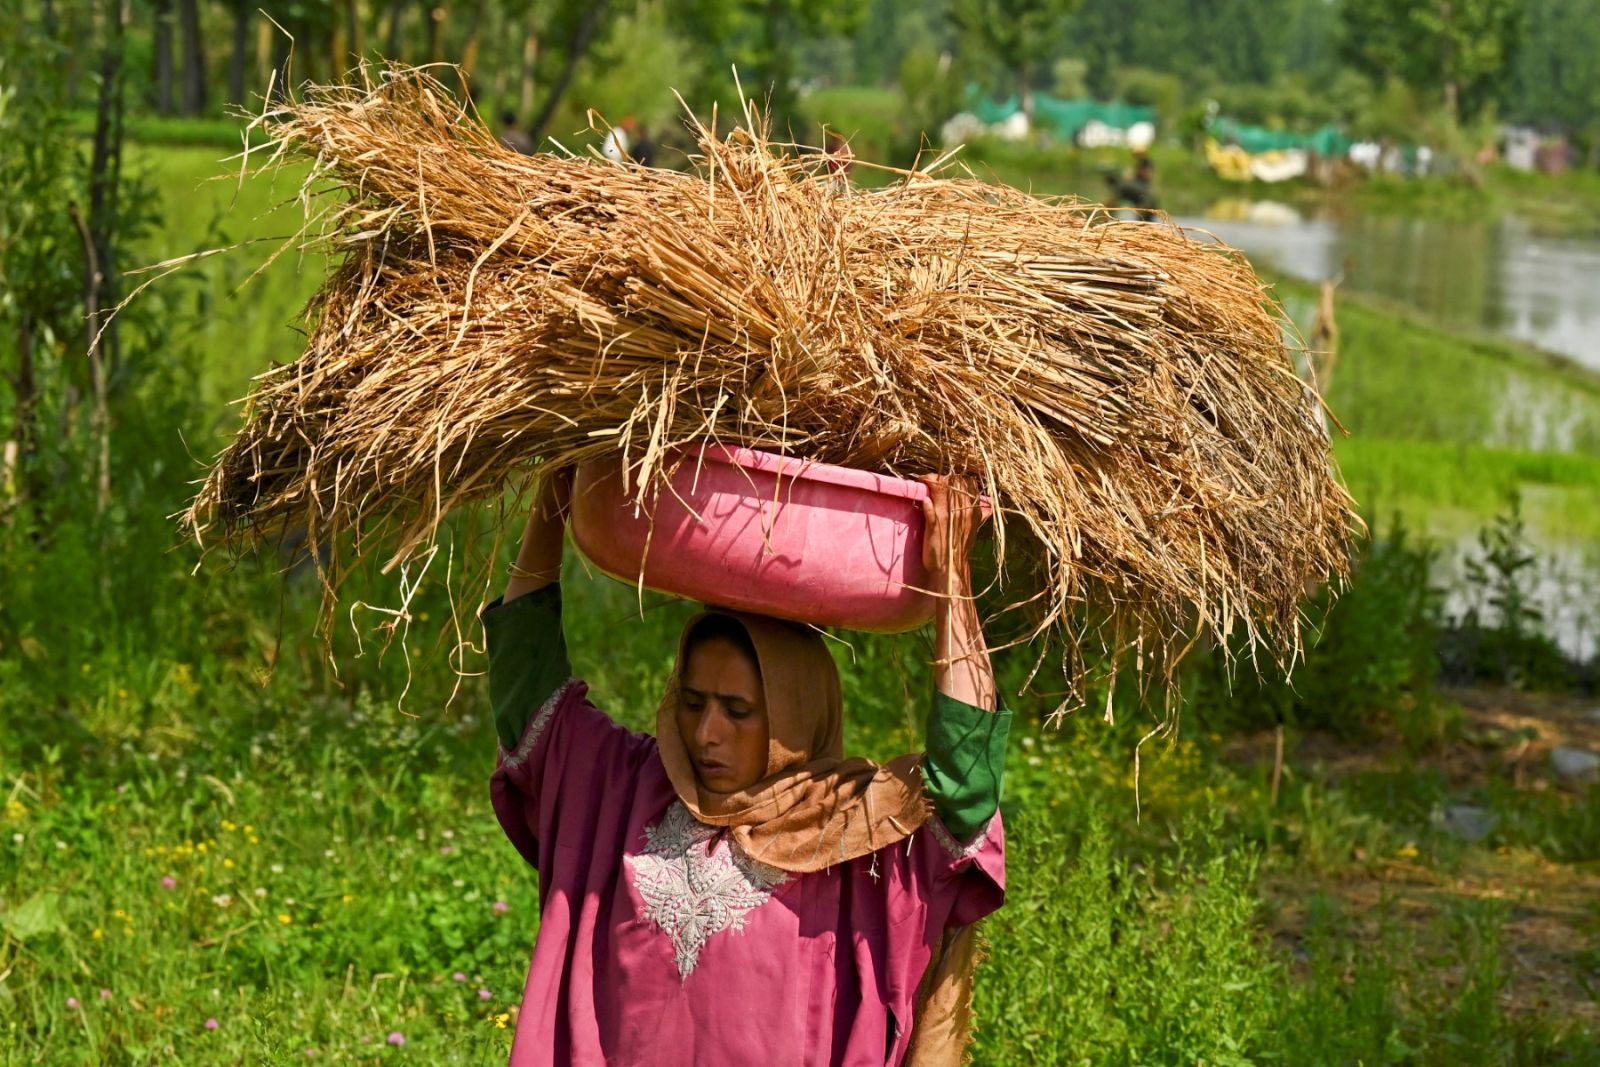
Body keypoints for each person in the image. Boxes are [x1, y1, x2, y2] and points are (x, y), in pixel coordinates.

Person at [483, 470, 1010, 1066]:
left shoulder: (855, 835)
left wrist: (952, 585)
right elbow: (527, 688)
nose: (707, 733)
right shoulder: (625, 789)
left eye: (738, 712)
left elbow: (965, 781)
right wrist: (556, 498)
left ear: (795, 716)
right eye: (692, 703)